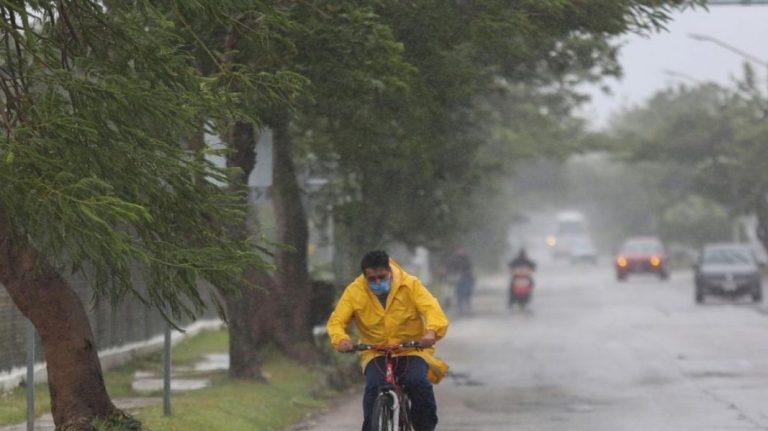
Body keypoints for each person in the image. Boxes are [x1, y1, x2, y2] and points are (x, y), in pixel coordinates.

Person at [327, 250, 449, 431]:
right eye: (372, 279)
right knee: (373, 387)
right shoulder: (354, 292)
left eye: (381, 277)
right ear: (364, 276)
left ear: (390, 271)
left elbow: (432, 310)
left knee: (417, 383)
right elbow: (336, 321)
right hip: (375, 351)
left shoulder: (410, 285)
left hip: (411, 349)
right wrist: (341, 339)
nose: (377, 282)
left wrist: (431, 332)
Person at [446, 247, 475, 314]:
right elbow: (450, 268)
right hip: (457, 278)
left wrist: (466, 273)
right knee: (459, 293)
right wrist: (454, 274)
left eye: (462, 250)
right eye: (459, 250)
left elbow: (470, 268)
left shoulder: (466, 258)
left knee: (467, 292)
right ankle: (460, 307)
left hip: (467, 277)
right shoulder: (453, 259)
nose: (461, 252)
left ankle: (467, 305)